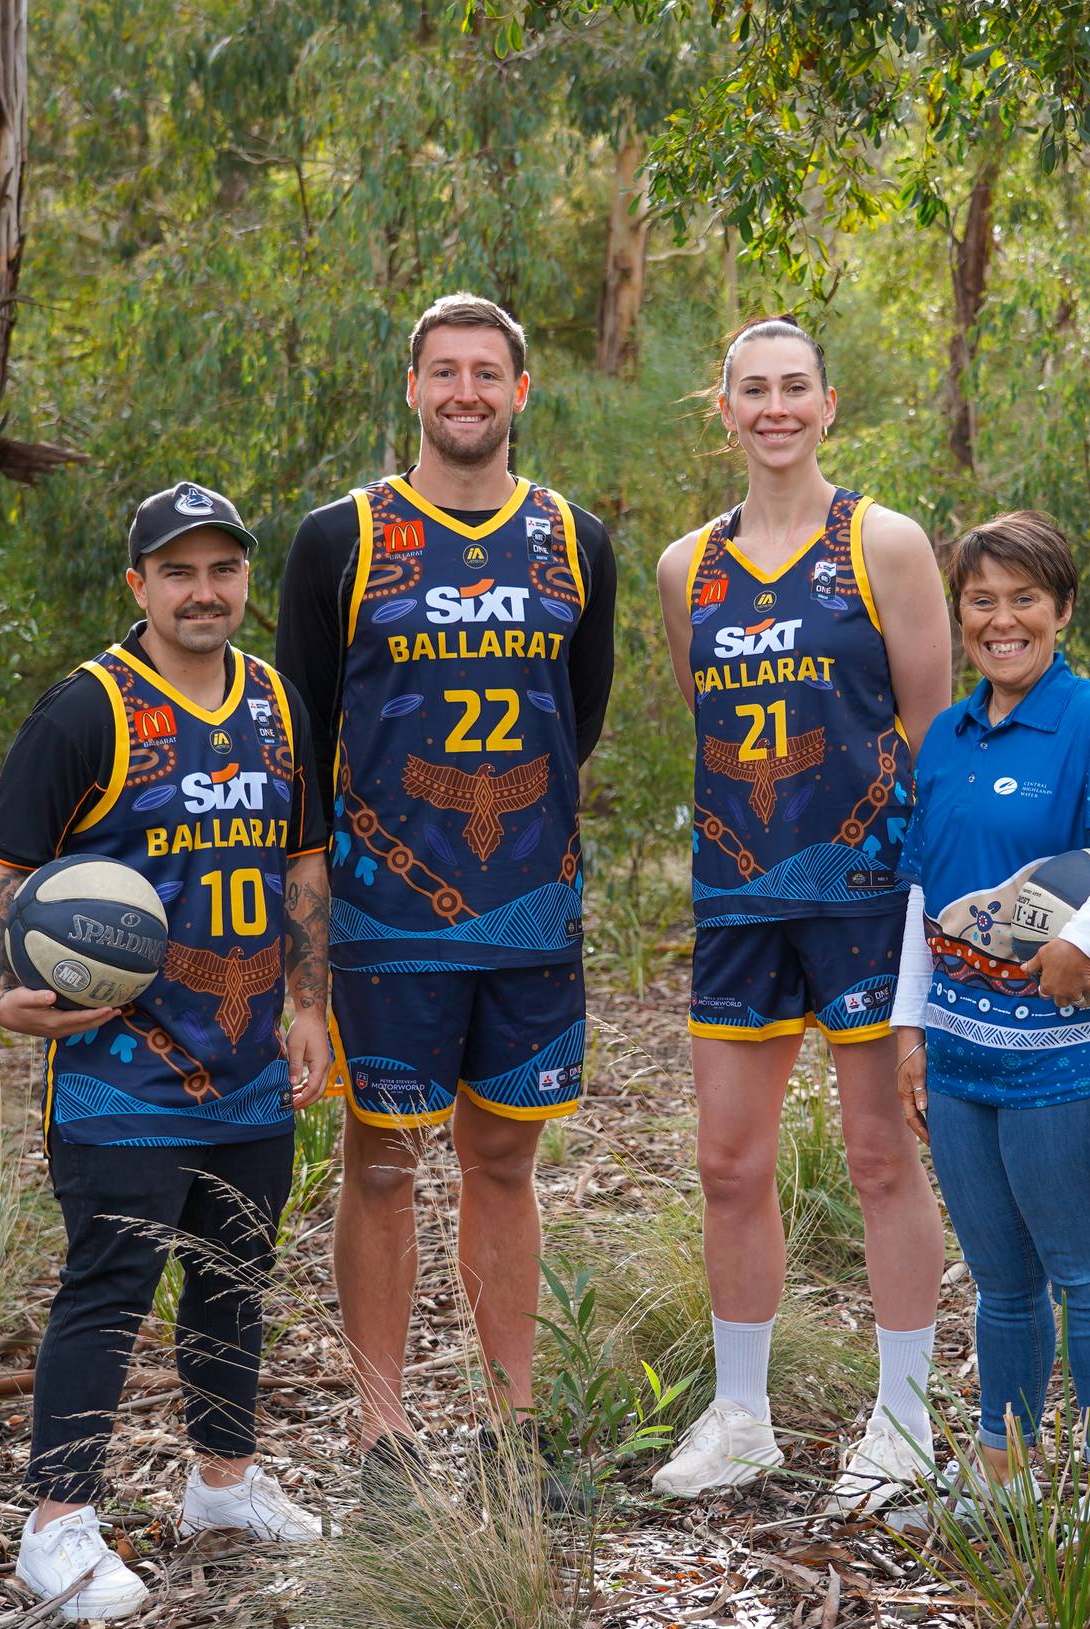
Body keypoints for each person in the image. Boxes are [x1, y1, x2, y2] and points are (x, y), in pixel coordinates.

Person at [0, 481, 334, 1622]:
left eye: (223, 569)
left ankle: (221, 1483)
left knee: (232, 1281)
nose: (204, 590)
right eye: (178, 571)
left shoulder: (276, 704)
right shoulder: (86, 712)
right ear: (138, 586)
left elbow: (302, 867)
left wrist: (310, 1005)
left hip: (246, 1064)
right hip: (119, 1074)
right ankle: (57, 1525)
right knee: (109, 1286)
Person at [273, 293, 617, 1495]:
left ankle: (510, 1434)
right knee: (379, 1164)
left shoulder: (574, 540)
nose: (465, 391)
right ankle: (379, 1437)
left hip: (527, 914)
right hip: (382, 920)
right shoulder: (340, 541)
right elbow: (302, 746)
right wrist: (302, 968)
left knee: (503, 1163)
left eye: (487, 373)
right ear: (411, 389)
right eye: (443, 371)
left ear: (521, 393)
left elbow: (579, 720)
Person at [649, 317, 953, 1512]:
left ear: (828, 405)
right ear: (719, 410)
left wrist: (937, 923)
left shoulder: (885, 543)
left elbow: (930, 737)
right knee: (729, 1162)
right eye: (750, 390)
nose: (773, 407)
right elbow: (705, 720)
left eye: (794, 388)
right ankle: (741, 1417)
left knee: (880, 1156)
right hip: (739, 902)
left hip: (871, 900)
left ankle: (904, 1419)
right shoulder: (688, 568)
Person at [890, 510, 1090, 1558]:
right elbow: (924, 896)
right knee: (1000, 1283)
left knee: (1083, 1273)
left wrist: (1085, 932)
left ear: (1061, 609)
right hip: (963, 1050)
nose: (1000, 619)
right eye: (980, 599)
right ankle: (1002, 1480)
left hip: (1082, 1053)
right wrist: (907, 1029)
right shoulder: (946, 735)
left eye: (1023, 598)